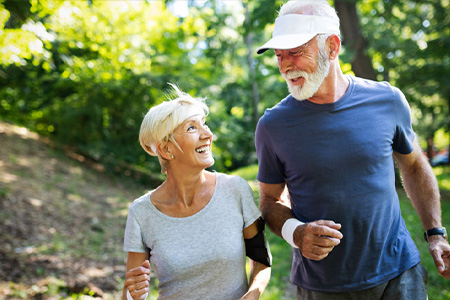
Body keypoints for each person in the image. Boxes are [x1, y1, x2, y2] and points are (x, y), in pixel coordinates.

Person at [254, 0, 450, 299]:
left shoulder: (388, 100)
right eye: (279, 55)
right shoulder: (273, 125)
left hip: (400, 276)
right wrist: (297, 233)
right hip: (322, 287)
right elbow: (268, 201)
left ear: (332, 47)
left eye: (295, 52)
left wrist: (435, 234)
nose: (285, 66)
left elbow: (413, 166)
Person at [122, 83, 271, 300]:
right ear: (166, 149)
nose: (208, 134)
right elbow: (130, 293)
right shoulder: (141, 212)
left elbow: (262, 260)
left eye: (204, 124)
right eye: (192, 128)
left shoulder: (236, 190)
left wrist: (252, 295)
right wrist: (133, 295)